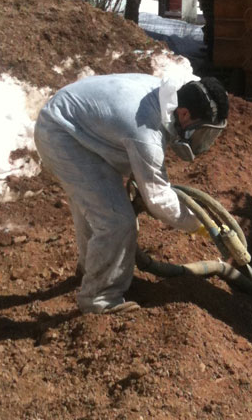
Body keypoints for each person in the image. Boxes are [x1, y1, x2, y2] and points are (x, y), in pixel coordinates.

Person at [34, 73, 229, 314]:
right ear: (185, 114)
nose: (202, 140)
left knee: (101, 207)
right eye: (202, 132)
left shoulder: (164, 97)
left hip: (76, 123)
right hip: (61, 133)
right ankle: (99, 299)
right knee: (116, 220)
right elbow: (158, 199)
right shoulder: (146, 132)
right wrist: (204, 225)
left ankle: (91, 269)